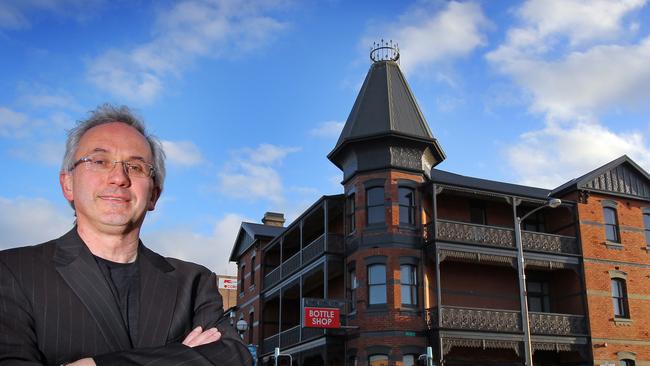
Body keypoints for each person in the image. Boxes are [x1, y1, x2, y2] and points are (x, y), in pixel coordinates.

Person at [0, 105, 253, 366]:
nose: (119, 178)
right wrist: (181, 357)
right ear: (68, 184)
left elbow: (234, 357)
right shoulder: (12, 271)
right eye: (99, 161)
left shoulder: (193, 282)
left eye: (135, 167)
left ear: (153, 195)